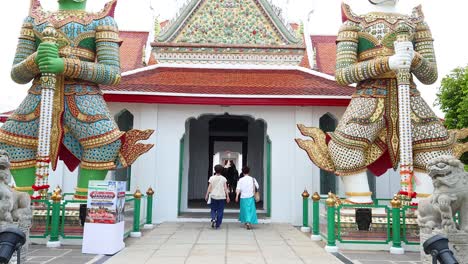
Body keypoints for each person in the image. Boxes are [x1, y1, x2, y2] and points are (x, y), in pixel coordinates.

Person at [297, 0, 454, 204]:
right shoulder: (354, 23)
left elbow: (430, 76)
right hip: (369, 97)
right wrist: (387, 63)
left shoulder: (416, 22)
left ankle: (426, 208)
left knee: (438, 151)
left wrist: (414, 57)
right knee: (343, 149)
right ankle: (359, 204)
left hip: (409, 97)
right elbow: (343, 74)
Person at [0, 0, 153, 199]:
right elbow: (17, 75)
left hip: (84, 97)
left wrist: (64, 65)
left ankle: (84, 206)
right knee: (12, 140)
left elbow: (112, 74)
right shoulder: (34, 20)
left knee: (105, 144)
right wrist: (35, 60)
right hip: (39, 96)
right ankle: (28, 204)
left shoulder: (102, 21)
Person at [205, 164, 230, 229]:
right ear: (221, 170)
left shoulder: (212, 178)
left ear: (215, 170)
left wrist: (207, 195)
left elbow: (209, 187)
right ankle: (217, 224)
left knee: (213, 209)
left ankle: (213, 218)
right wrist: (227, 196)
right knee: (220, 210)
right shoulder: (224, 179)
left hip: (213, 196)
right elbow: (225, 188)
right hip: (222, 197)